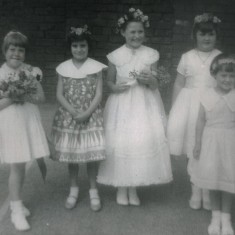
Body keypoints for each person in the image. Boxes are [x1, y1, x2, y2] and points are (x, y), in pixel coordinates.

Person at [97, 8, 172, 206]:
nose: (136, 36)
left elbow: (156, 84)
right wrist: (116, 87)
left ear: (144, 33)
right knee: (123, 142)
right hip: (122, 104)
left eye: (140, 32)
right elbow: (110, 83)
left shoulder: (151, 54)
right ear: (123, 33)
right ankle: (122, 186)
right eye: (132, 32)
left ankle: (134, 187)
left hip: (144, 104)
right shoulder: (115, 56)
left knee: (139, 142)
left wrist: (149, 79)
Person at [167, 13, 222, 210]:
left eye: (211, 34)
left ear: (216, 36)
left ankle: (206, 189)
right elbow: (179, 83)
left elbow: (225, 84)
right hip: (188, 105)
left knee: (207, 146)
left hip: (210, 105)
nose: (207, 38)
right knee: (192, 145)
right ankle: (195, 189)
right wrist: (174, 109)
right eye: (202, 34)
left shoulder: (219, 57)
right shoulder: (187, 57)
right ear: (195, 35)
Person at [50, 25, 106, 212]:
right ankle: (73, 189)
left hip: (91, 115)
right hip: (69, 116)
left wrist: (87, 112)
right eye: (75, 46)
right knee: (72, 156)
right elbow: (59, 94)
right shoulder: (63, 68)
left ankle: (93, 190)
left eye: (83, 46)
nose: (79, 49)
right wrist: (74, 112)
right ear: (70, 47)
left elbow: (98, 94)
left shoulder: (96, 68)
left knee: (91, 156)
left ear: (88, 47)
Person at [0, 31, 49, 231]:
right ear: (5, 51)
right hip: (12, 123)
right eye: (12, 49)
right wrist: (13, 97)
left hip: (27, 120)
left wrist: (26, 94)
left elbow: (41, 98)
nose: (16, 54)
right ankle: (16, 210)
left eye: (21, 50)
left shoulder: (30, 71)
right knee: (17, 166)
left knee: (20, 165)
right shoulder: (0, 74)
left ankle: (16, 204)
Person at [191, 53, 235, 235]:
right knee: (214, 181)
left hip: (231, 144)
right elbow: (200, 121)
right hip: (211, 144)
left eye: (232, 76)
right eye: (224, 75)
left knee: (229, 181)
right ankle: (215, 217)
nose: (228, 79)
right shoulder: (207, 95)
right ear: (215, 76)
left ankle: (227, 219)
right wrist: (198, 143)